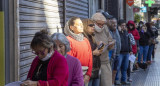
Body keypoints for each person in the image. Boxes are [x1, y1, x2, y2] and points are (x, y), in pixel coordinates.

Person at [64, 17, 93, 86]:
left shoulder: (85, 40)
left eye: (82, 24)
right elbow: (69, 61)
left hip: (86, 74)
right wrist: (78, 77)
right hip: (75, 75)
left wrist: (88, 74)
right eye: (79, 24)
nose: (82, 26)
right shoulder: (68, 40)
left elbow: (90, 57)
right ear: (71, 27)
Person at [92, 12, 115, 86]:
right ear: (94, 22)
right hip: (95, 64)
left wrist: (111, 44)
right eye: (99, 24)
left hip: (105, 62)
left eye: (102, 24)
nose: (101, 26)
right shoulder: (90, 29)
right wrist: (101, 46)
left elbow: (110, 39)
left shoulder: (105, 28)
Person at [82, 19, 103, 86]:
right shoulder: (82, 39)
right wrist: (93, 53)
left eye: (93, 25)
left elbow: (96, 51)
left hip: (96, 68)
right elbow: (81, 54)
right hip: (88, 70)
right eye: (91, 25)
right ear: (85, 26)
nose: (93, 27)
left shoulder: (92, 37)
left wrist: (100, 49)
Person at [108, 18, 121, 85]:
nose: (114, 24)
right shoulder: (108, 31)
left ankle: (112, 82)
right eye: (113, 23)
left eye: (115, 22)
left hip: (118, 54)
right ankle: (109, 83)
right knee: (110, 69)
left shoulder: (117, 31)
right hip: (111, 54)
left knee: (115, 69)